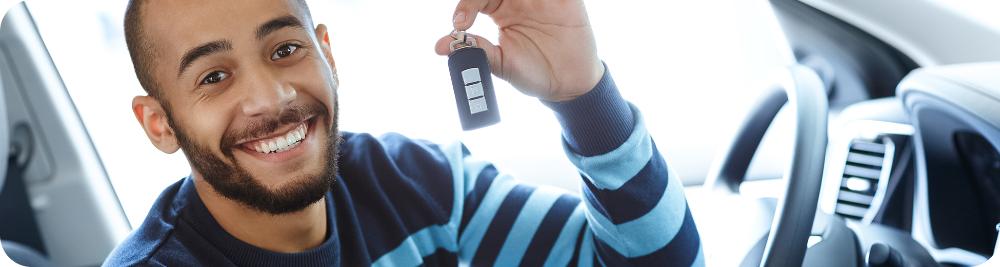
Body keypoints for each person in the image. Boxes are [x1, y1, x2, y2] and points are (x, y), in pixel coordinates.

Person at [103, 0, 702, 266]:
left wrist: (583, 97)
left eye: (285, 49)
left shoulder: (416, 183)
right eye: (213, 76)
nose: (272, 98)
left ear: (327, 55)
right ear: (160, 123)